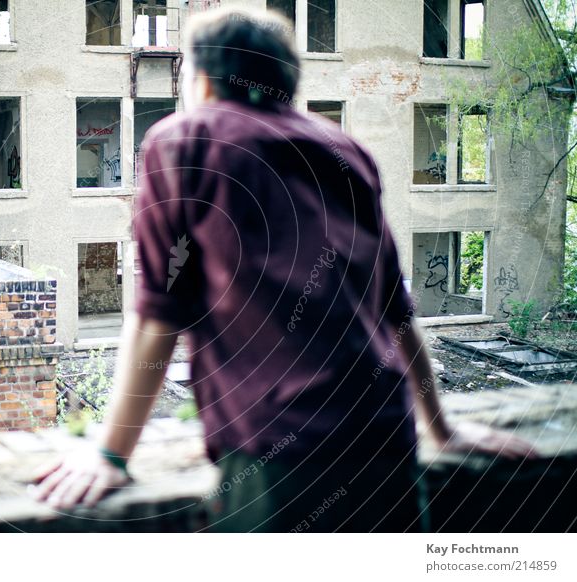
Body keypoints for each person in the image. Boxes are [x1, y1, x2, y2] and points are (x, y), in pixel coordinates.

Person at [30, 6, 538, 532]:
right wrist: (441, 428)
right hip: (386, 439)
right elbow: (394, 308)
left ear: (202, 79)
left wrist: (111, 454)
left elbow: (161, 311)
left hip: (282, 452)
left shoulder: (184, 142)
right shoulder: (347, 150)